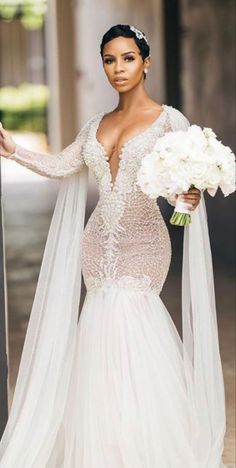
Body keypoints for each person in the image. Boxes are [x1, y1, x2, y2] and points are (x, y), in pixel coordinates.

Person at [0, 24, 226, 468]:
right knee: (100, 336)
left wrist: (187, 199)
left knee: (131, 329)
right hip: (96, 246)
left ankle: (141, 448)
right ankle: (102, 449)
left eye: (127, 58)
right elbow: (63, 163)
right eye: (109, 59)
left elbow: (178, 200)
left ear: (145, 62)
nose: (118, 68)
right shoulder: (95, 125)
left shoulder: (170, 121)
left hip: (144, 245)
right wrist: (13, 151)